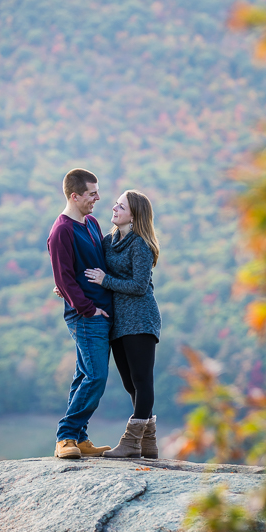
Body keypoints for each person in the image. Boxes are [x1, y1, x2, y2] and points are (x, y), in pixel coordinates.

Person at [84, 189, 162, 459]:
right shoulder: (109, 241)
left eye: (121, 207)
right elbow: (92, 272)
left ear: (134, 215)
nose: (114, 209)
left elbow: (140, 286)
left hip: (140, 319)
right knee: (130, 385)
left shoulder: (139, 244)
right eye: (116, 205)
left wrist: (105, 280)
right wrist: (69, 288)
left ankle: (131, 442)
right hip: (118, 322)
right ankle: (148, 443)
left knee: (142, 382)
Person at [47, 168, 114, 459]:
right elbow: (63, 277)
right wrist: (89, 309)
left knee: (84, 374)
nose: (98, 197)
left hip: (100, 311)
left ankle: (80, 438)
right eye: (91, 193)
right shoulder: (62, 230)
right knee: (96, 377)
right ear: (74, 196)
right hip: (86, 315)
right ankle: (65, 436)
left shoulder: (91, 223)